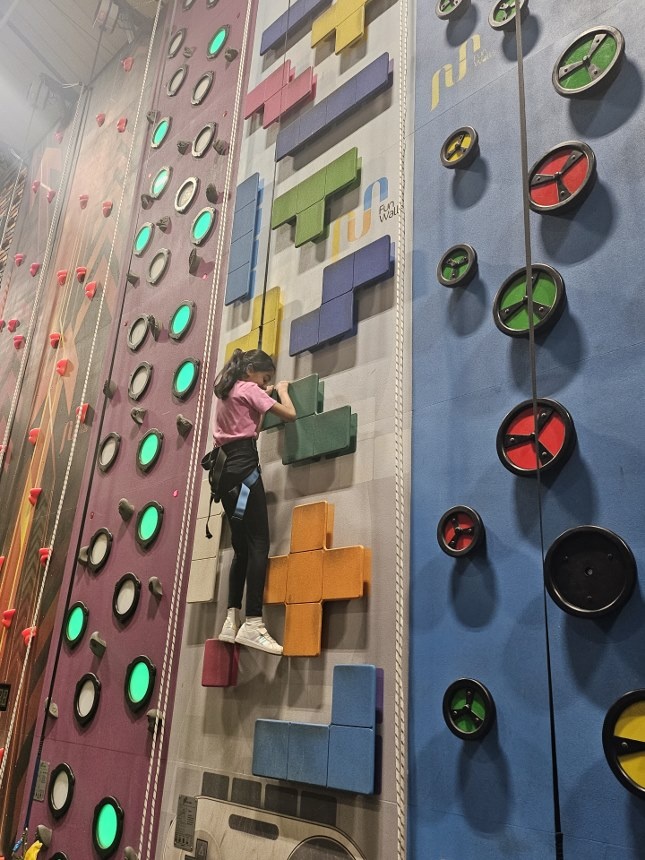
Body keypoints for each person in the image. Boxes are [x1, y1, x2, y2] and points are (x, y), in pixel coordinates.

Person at [211, 348, 296, 655]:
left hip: (225, 476)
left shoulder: (227, 392)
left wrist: (261, 399)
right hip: (245, 472)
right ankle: (254, 622)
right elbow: (290, 414)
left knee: (242, 547)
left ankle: (231, 619)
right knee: (260, 543)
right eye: (264, 377)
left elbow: (252, 429)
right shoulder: (249, 389)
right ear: (251, 371)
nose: (264, 383)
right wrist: (282, 391)